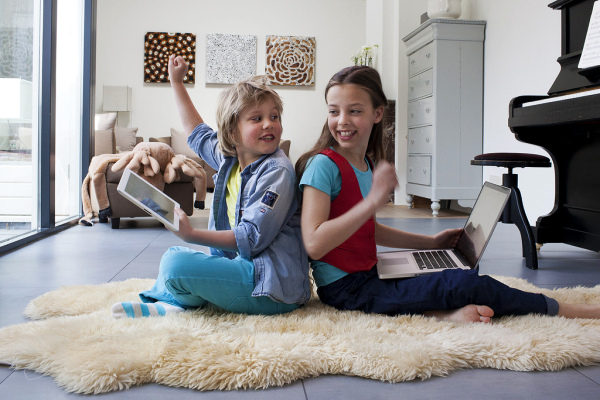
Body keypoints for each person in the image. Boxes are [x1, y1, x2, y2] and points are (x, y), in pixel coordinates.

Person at [296, 65, 600, 323]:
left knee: (453, 267)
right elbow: (314, 243)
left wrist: (431, 243)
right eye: (334, 111)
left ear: (378, 113)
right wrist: (373, 202)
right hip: (347, 289)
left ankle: (442, 314)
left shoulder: (365, 163)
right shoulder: (322, 166)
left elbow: (368, 230)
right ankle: (569, 311)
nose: (342, 120)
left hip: (370, 271)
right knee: (467, 284)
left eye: (354, 111)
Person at [111, 54, 310, 318]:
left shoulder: (277, 171)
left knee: (176, 264)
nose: (269, 124)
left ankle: (173, 303)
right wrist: (176, 82)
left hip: (271, 287)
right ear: (232, 133)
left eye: (274, 116)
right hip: (246, 273)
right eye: (257, 118)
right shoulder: (230, 159)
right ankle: (173, 305)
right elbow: (197, 134)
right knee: (174, 255)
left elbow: (251, 238)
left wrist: (192, 234)